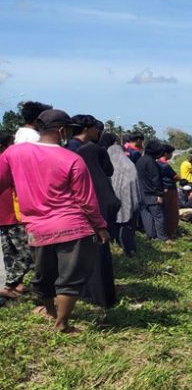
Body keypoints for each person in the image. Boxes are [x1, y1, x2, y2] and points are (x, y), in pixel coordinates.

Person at [0, 109, 109, 333]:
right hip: (73, 226)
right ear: (62, 131)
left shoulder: (13, 154)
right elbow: (86, 200)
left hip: (37, 228)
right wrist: (100, 227)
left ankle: (51, 313)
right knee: (69, 278)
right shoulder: (72, 159)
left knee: (45, 277)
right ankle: (62, 324)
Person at [75, 128, 119, 309]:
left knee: (91, 260)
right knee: (102, 259)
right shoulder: (101, 179)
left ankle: (93, 296)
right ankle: (105, 296)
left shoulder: (85, 180)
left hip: (93, 224)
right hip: (103, 222)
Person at [0, 133, 33, 299]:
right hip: (14, 215)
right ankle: (9, 285)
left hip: (5, 216)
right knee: (27, 253)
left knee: (10, 254)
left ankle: (15, 286)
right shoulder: (7, 162)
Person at [106, 133, 141, 256]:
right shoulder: (128, 164)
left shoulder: (109, 163)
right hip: (129, 200)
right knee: (126, 225)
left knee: (118, 224)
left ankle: (120, 245)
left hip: (114, 199)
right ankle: (128, 249)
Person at [136, 140, 167, 241]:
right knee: (158, 216)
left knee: (146, 215)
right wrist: (160, 194)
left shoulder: (140, 160)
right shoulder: (151, 162)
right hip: (152, 194)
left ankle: (151, 236)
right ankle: (162, 237)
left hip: (141, 193)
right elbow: (156, 180)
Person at [158, 144, 180, 239]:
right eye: (171, 153)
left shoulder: (156, 163)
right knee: (172, 212)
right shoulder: (165, 166)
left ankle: (165, 231)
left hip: (161, 189)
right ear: (166, 153)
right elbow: (176, 177)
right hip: (169, 190)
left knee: (163, 211)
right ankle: (171, 233)